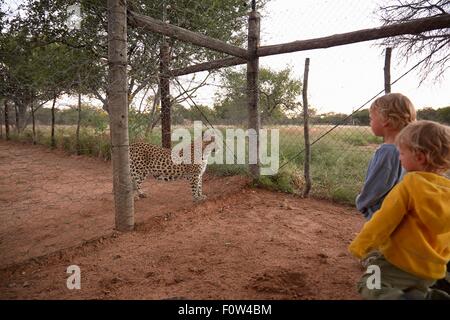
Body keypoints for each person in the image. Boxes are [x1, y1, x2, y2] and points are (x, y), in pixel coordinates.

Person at [349, 120, 450, 300]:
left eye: (401, 153)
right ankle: (429, 295)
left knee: (369, 282)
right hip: (432, 270)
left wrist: (361, 246)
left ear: (419, 157)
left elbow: (382, 221)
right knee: (416, 290)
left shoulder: (409, 185)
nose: (399, 158)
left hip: (399, 261)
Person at [356, 93, 416, 220]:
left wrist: (361, 202)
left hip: (381, 215)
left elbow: (377, 186)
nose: (370, 122)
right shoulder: (409, 150)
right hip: (398, 213)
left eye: (371, 119)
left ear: (386, 121)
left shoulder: (387, 151)